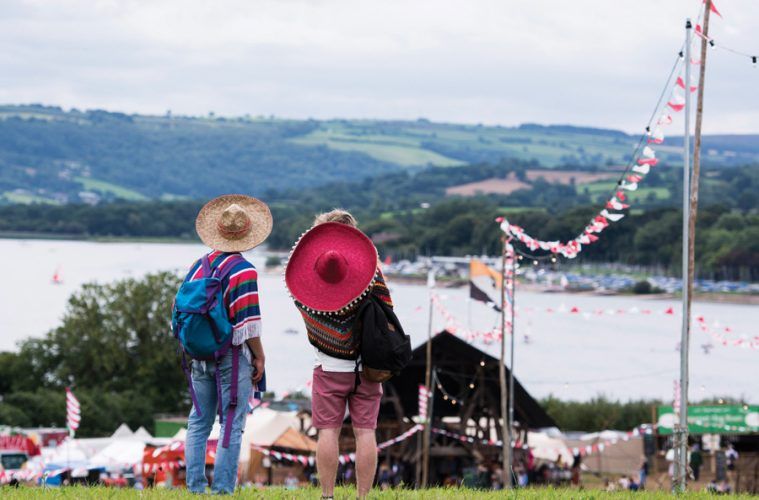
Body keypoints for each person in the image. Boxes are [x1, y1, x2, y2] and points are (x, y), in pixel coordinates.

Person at [285, 209, 392, 500]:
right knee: (365, 433)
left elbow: (310, 319)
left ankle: (328, 495)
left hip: (329, 367)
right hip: (367, 367)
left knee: (328, 432)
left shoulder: (303, 286)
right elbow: (387, 311)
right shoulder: (371, 276)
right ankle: (362, 497)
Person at [182, 195, 272, 494]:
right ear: (249, 234)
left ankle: (195, 487)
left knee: (198, 422)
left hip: (198, 355)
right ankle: (222, 490)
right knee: (231, 424)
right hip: (231, 359)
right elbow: (248, 325)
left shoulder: (199, 265)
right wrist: (260, 358)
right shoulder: (243, 271)